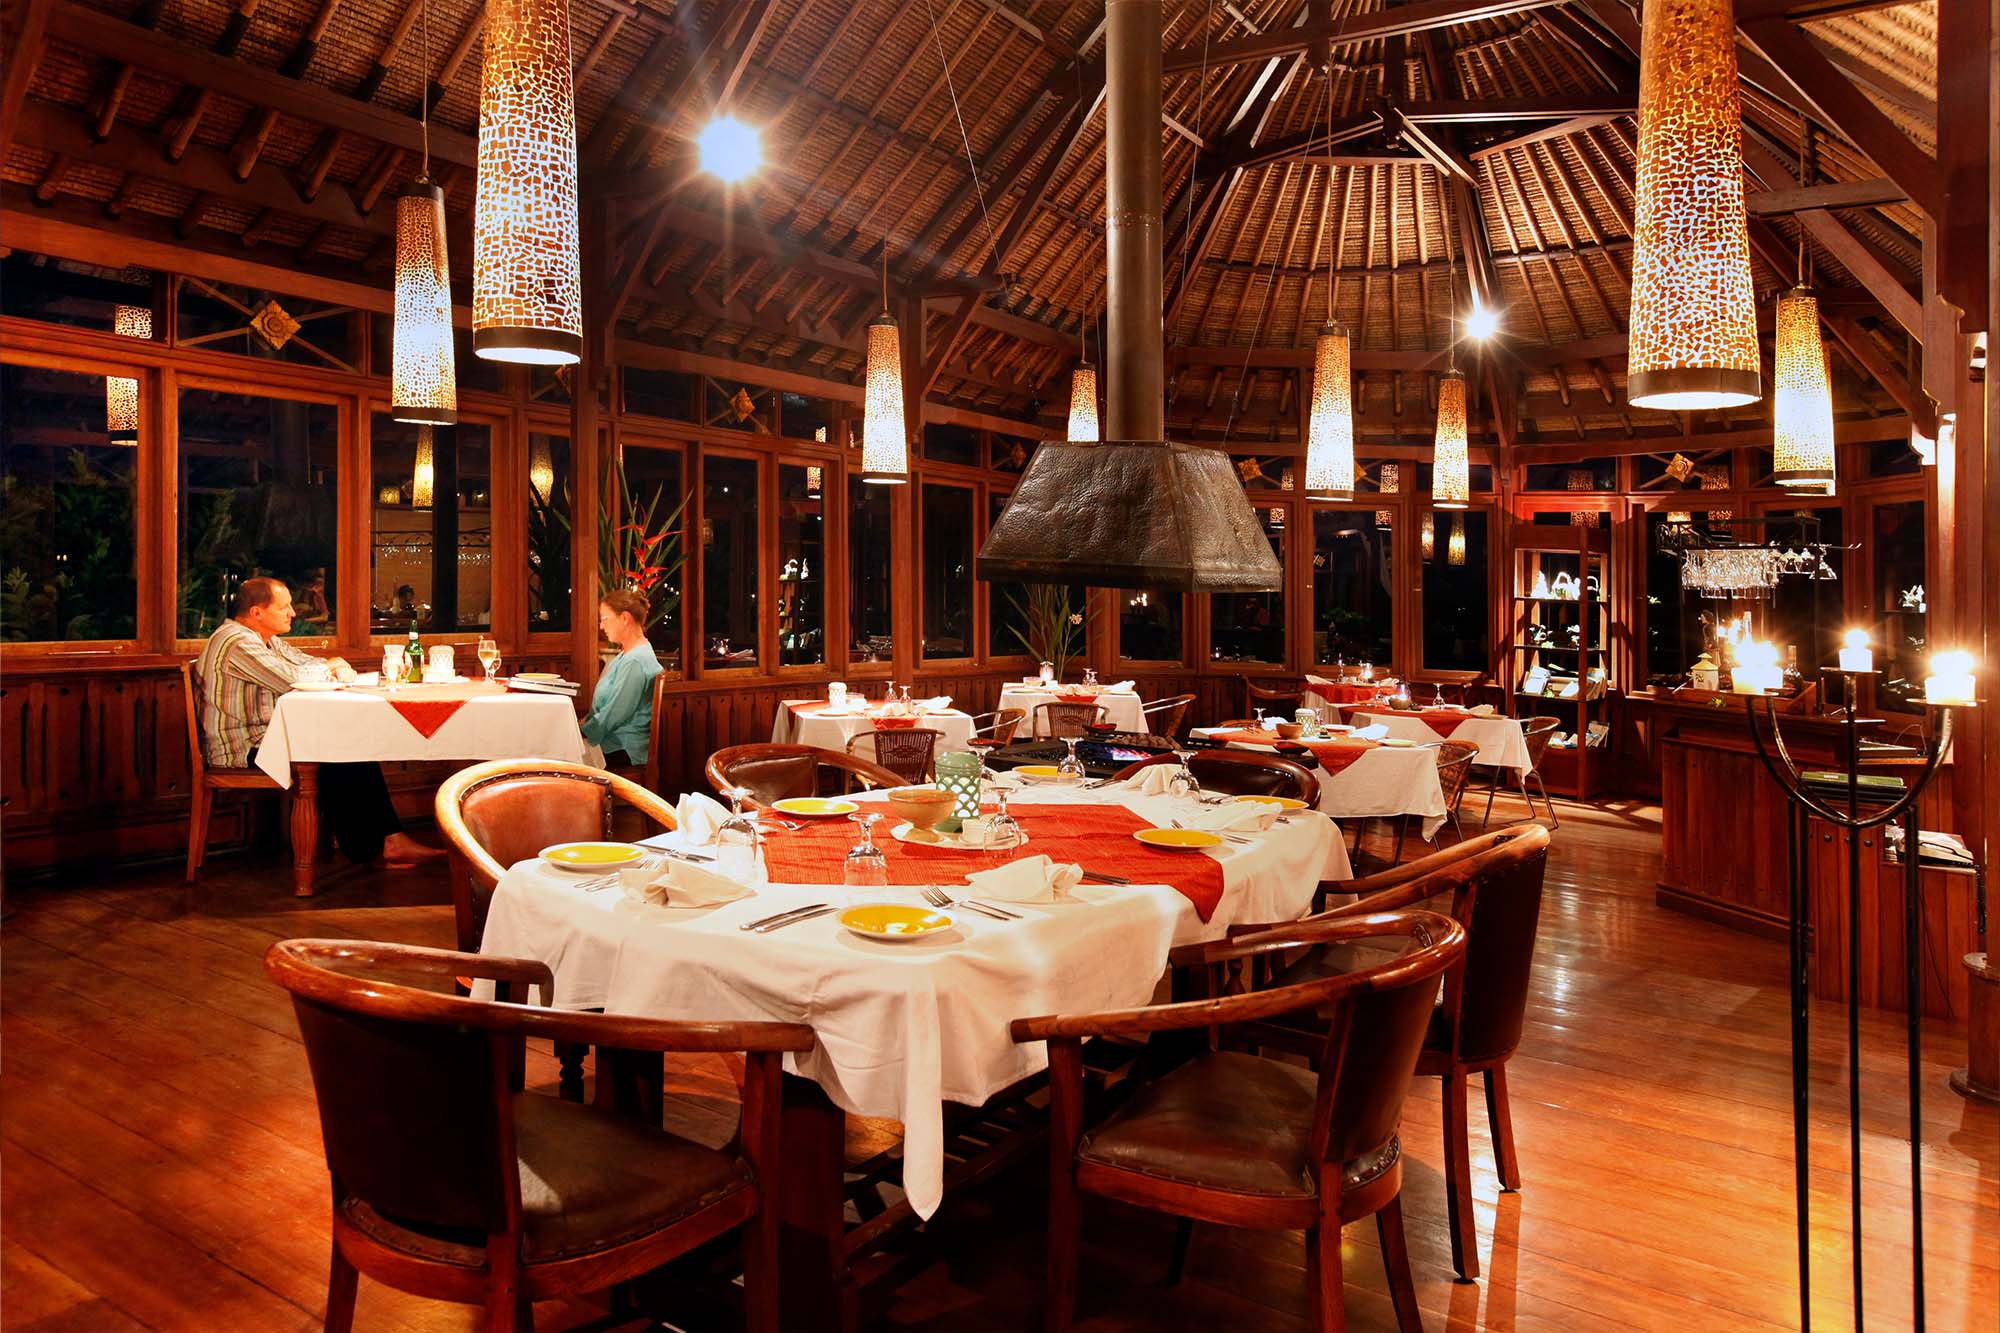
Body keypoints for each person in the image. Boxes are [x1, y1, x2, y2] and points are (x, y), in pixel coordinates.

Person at [196, 577, 442, 868]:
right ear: (257, 612)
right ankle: (377, 846)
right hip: (243, 749)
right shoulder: (236, 642)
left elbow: (302, 662)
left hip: (269, 738)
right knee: (340, 753)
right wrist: (331, 666)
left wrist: (328, 664)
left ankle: (385, 842)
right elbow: (291, 679)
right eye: (284, 607)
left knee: (352, 747)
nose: (293, 613)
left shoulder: (266, 640)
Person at [583, 588, 663, 770]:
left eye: (605, 619)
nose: (601, 626)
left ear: (625, 618)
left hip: (622, 748)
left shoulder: (635, 660)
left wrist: (582, 732)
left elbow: (615, 713)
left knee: (558, 758)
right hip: (612, 742)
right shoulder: (626, 655)